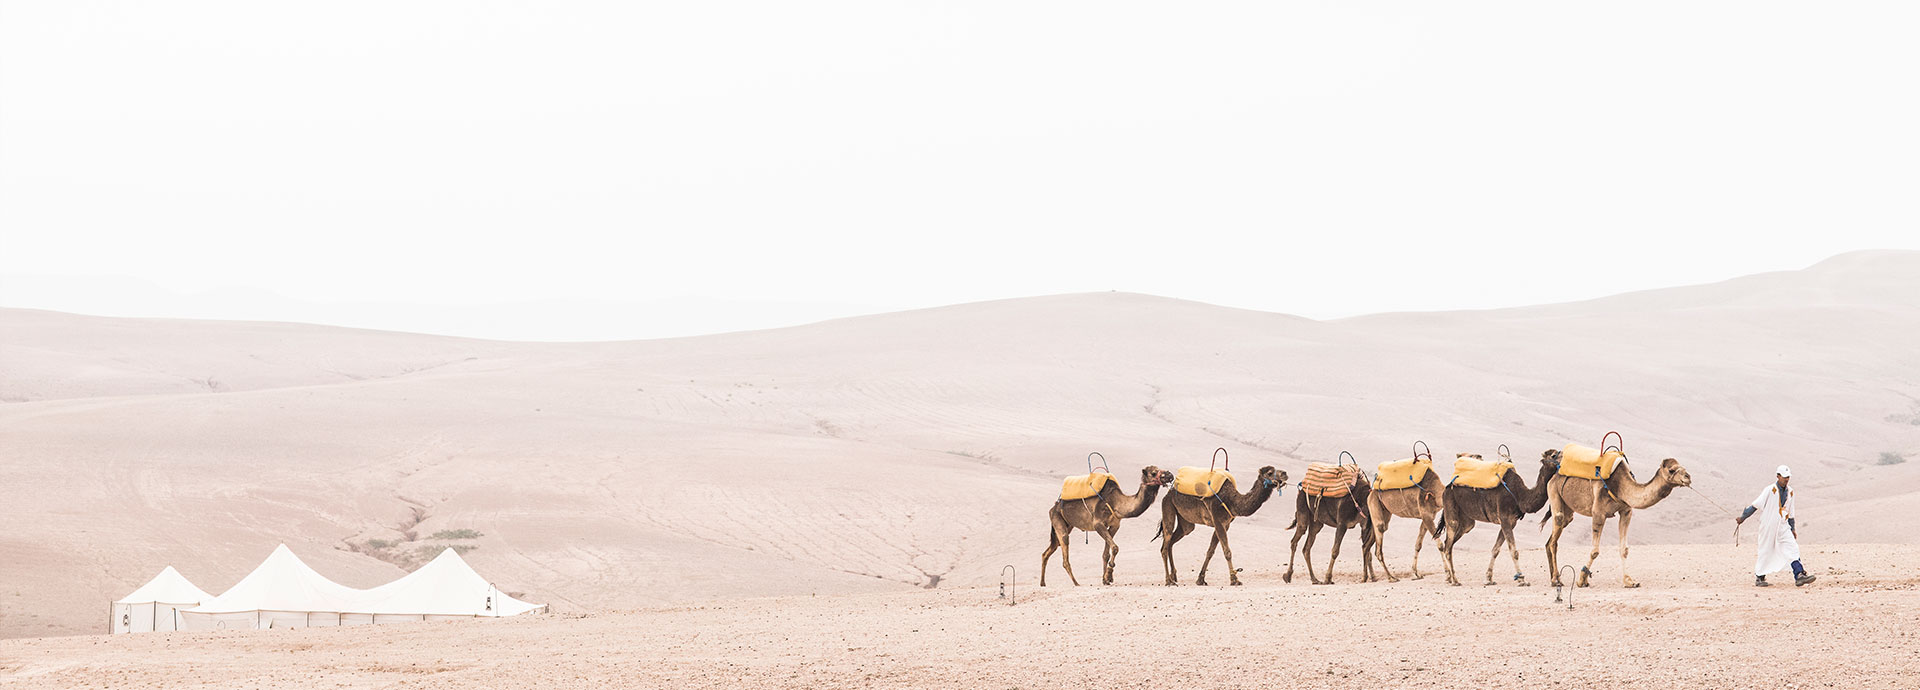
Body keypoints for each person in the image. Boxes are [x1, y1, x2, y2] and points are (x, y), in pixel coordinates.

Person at [1736, 465, 1814, 587]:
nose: (1786, 480)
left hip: (1783, 526)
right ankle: (1760, 577)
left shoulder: (1791, 492)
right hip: (1769, 526)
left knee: (1792, 547)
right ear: (1778, 476)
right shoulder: (1769, 490)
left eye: (1788, 477)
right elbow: (1756, 505)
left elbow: (1791, 512)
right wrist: (1742, 518)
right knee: (1766, 550)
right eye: (1784, 477)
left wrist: (1792, 528)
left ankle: (1799, 575)